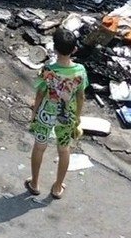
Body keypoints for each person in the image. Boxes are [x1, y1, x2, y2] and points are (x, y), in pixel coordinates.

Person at [28, 28, 87, 199]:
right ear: (74, 50)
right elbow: (81, 96)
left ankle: (35, 183)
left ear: (54, 48)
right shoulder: (80, 71)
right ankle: (57, 187)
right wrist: (77, 116)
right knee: (64, 149)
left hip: (46, 112)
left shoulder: (47, 70)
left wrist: (34, 113)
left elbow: (39, 94)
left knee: (39, 147)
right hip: (67, 114)